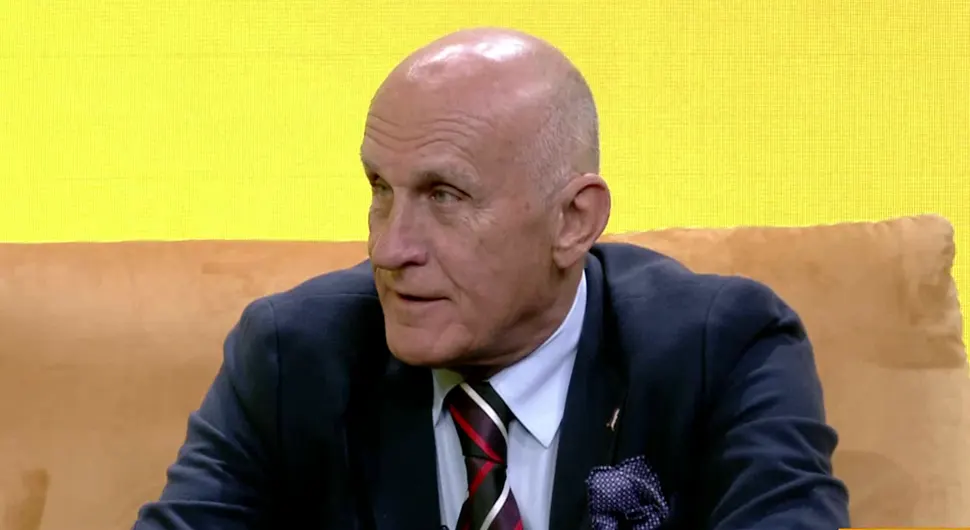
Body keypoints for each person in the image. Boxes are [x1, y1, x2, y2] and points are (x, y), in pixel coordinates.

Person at [133, 27, 849, 530]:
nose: (389, 246)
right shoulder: (293, 355)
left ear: (573, 221)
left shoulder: (723, 350)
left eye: (445, 196)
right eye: (380, 189)